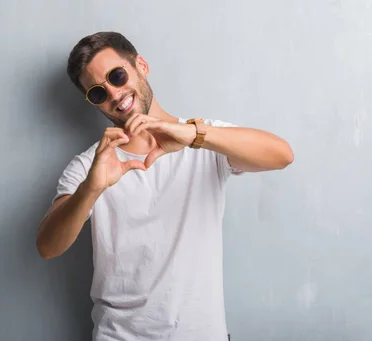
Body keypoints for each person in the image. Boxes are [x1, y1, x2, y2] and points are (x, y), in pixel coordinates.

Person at [36, 31, 294, 341]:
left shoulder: (202, 138)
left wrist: (195, 136)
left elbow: (282, 155)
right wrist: (92, 188)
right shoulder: (89, 166)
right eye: (98, 93)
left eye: (117, 76)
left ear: (141, 65)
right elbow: (48, 247)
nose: (115, 95)